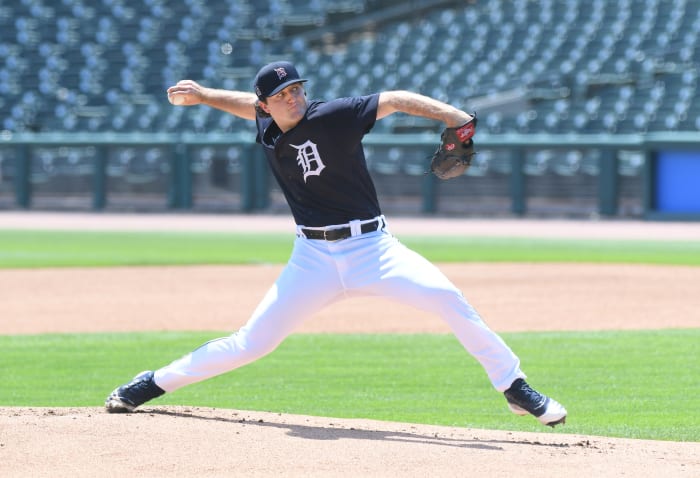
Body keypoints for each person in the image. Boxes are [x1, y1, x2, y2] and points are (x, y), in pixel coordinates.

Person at [105, 60, 567, 427]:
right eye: (282, 95)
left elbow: (397, 100)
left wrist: (455, 118)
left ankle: (514, 387)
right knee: (252, 344)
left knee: (447, 298)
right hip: (312, 259)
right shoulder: (265, 123)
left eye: (297, 89)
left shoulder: (334, 116)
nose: (293, 98)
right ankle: (151, 384)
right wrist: (204, 96)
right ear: (267, 106)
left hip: (374, 249)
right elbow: (246, 103)